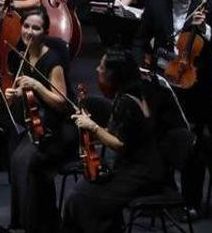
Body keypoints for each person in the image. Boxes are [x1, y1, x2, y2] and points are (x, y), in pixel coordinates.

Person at [131, 0, 212, 211]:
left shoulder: (210, 2)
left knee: (192, 146)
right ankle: (165, 192)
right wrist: (140, 63)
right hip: (164, 81)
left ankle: (191, 202)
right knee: (160, 138)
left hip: (197, 86)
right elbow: (140, 39)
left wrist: (206, 29)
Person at [62, 50, 168, 233]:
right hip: (144, 166)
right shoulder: (140, 90)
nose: (97, 69)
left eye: (101, 67)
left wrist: (93, 127)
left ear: (114, 74)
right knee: (81, 191)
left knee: (80, 199)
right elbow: (120, 133)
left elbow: (120, 144)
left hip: (141, 173)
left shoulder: (127, 101)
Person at [2, 9, 73, 232]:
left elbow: (61, 103)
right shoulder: (20, 54)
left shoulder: (53, 60)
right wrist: (12, 95)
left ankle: (38, 224)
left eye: (36, 28)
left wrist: (38, 86)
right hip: (33, 124)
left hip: (55, 128)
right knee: (15, 158)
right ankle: (23, 221)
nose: (29, 32)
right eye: (26, 26)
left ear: (45, 32)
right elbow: (21, 93)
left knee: (26, 160)